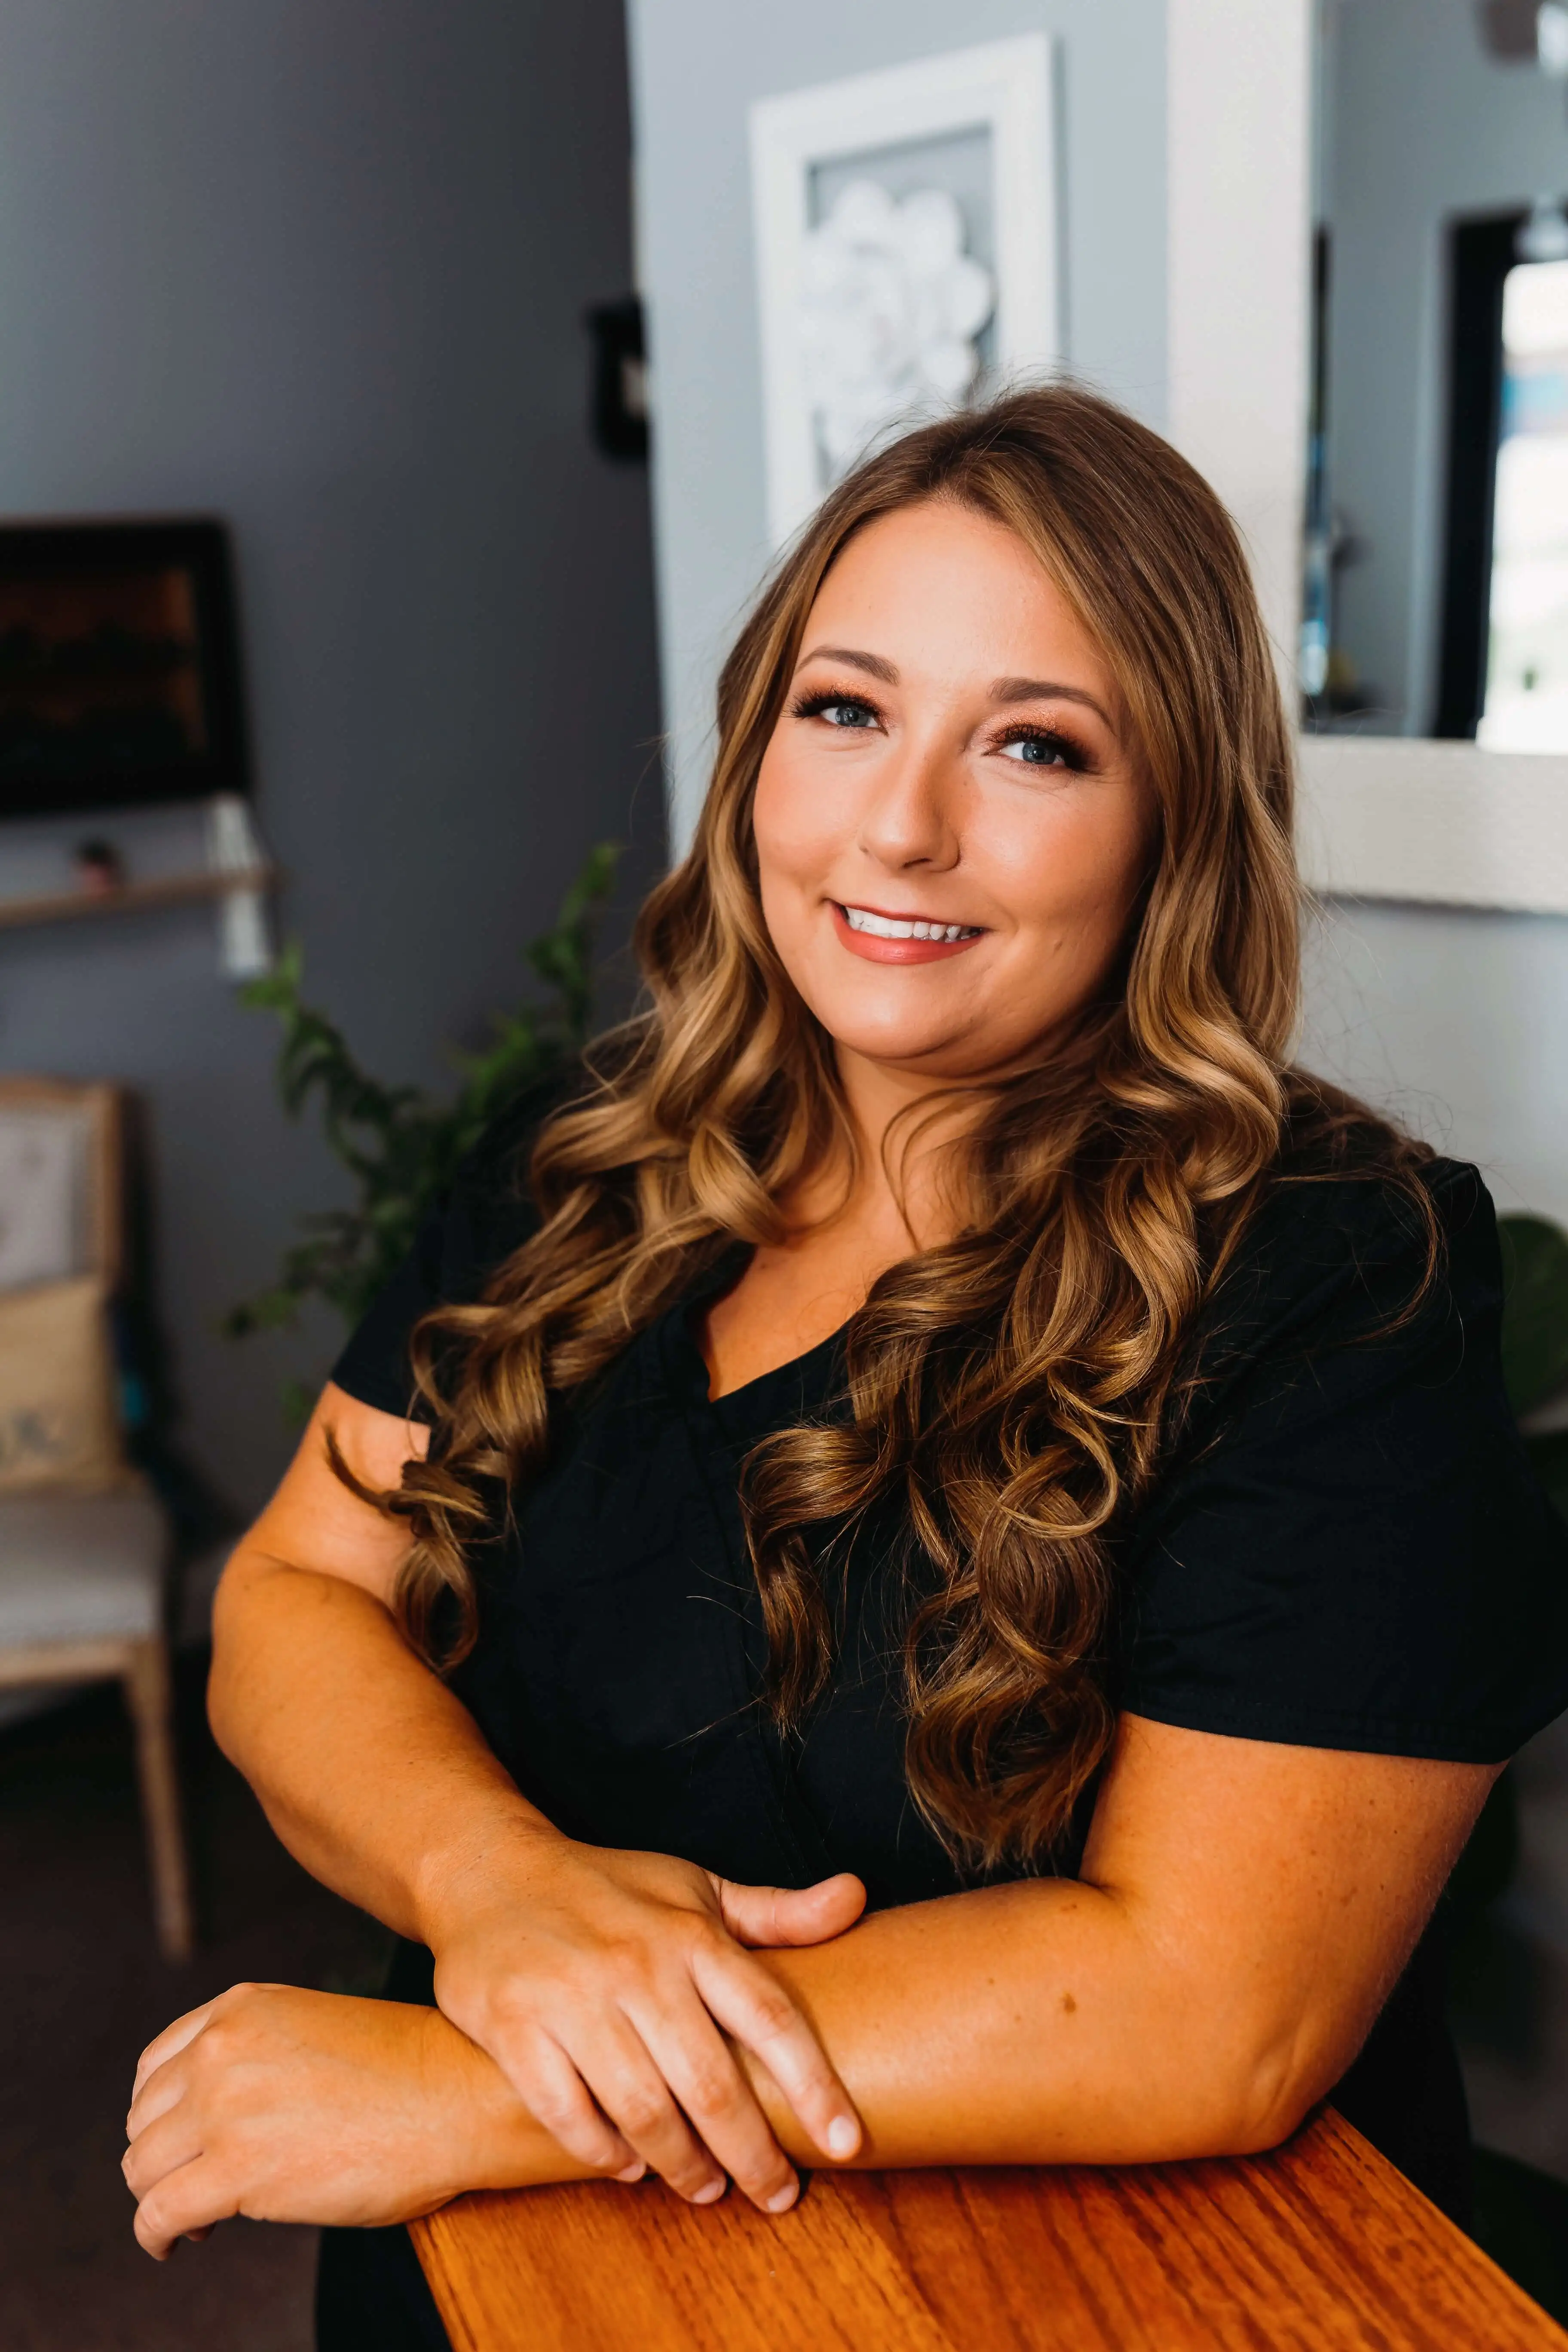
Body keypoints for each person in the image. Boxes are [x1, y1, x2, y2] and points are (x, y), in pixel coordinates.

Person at [124, 387, 1568, 2348]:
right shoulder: (580, 1154)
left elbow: (1218, 2009)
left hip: (1035, 2287)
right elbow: (299, 1588)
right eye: (846, 709)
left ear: (1176, 829)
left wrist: (481, 2084)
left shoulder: (1339, 1274)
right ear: (755, 751)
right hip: (520, 2264)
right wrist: (502, 1894)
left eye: (1037, 746)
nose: (903, 824)